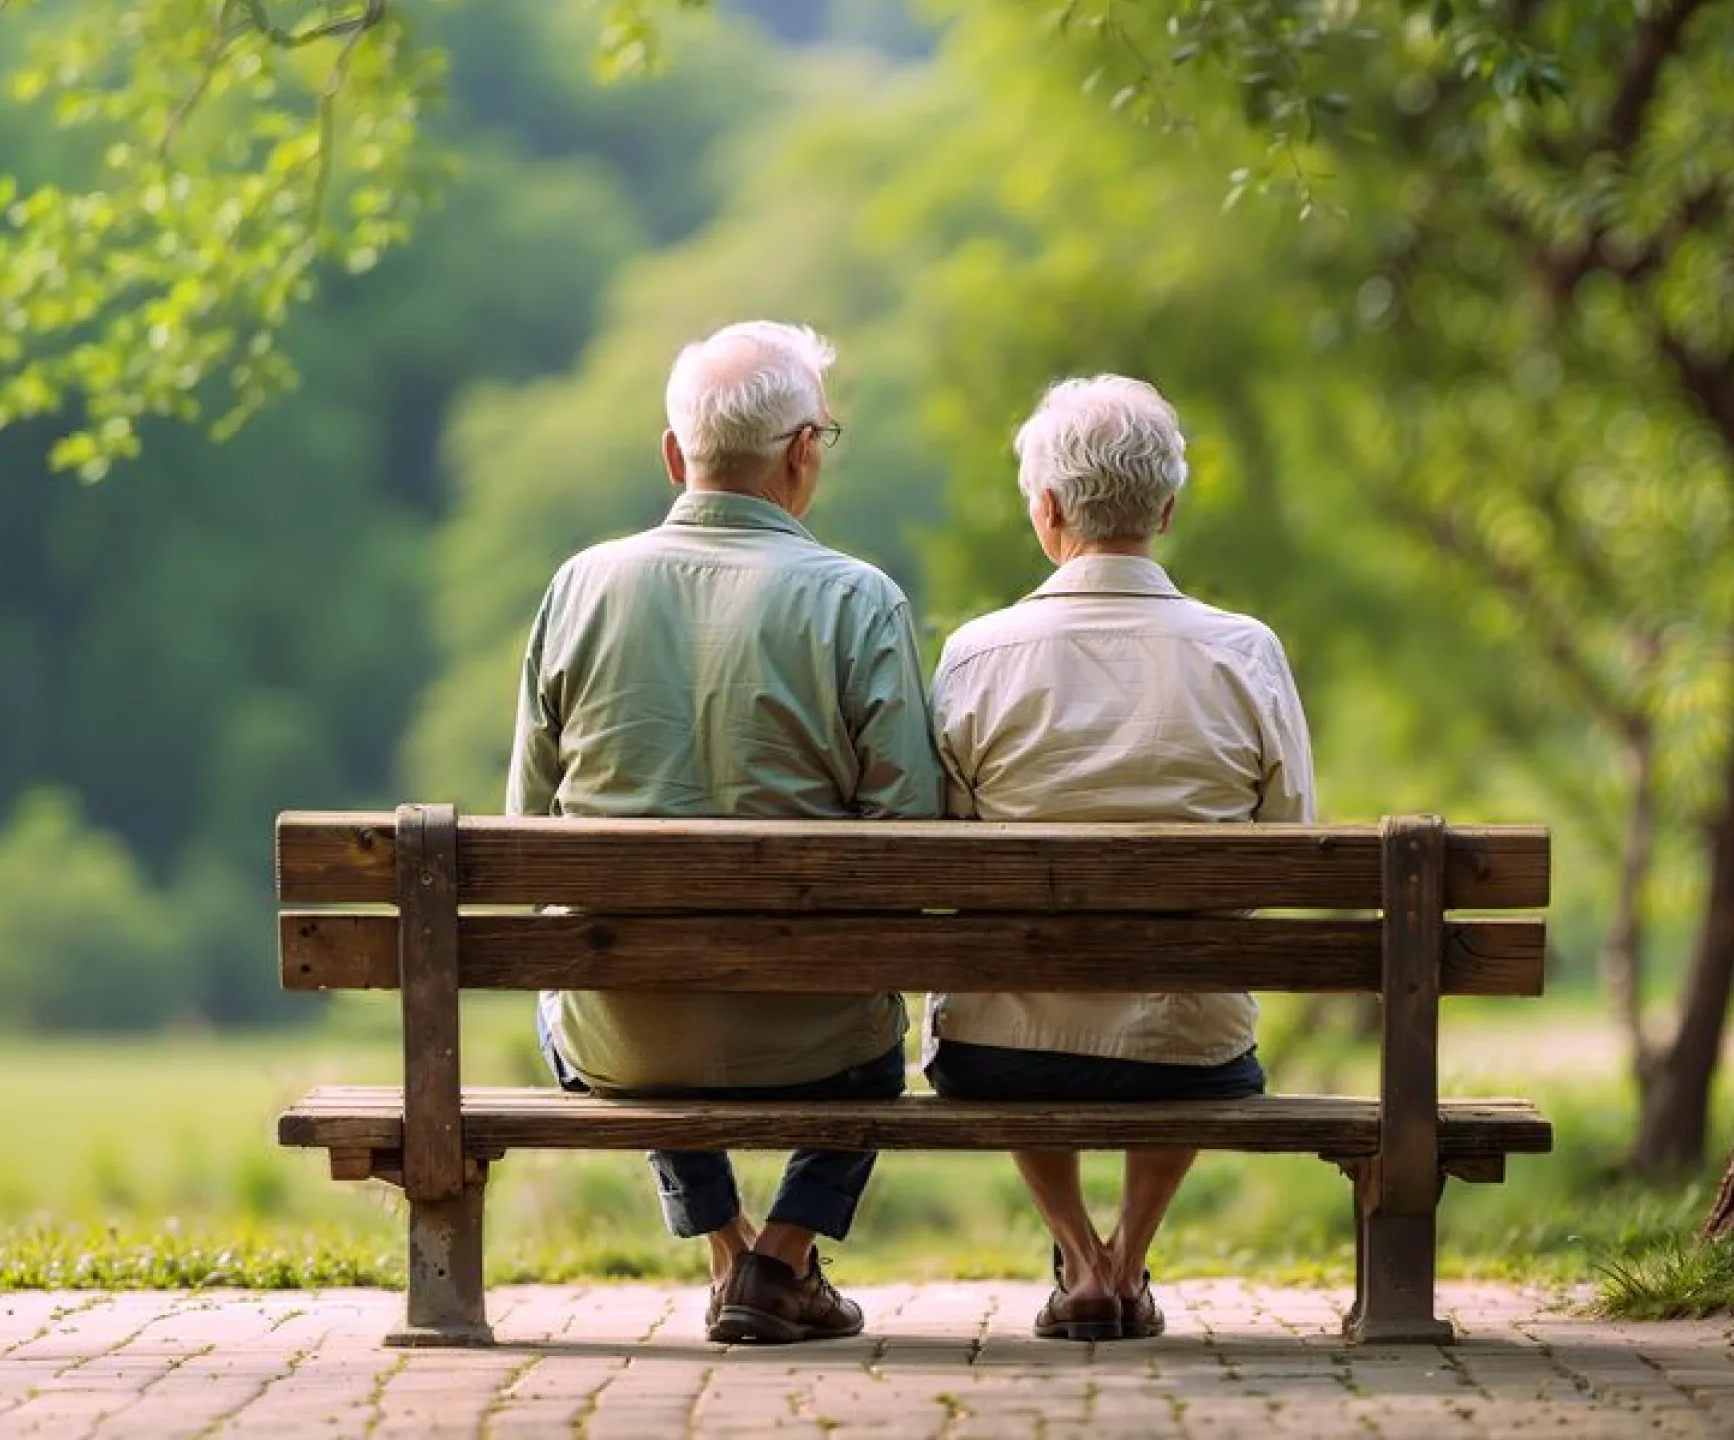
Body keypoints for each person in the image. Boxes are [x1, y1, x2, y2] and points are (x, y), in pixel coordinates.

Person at [505, 321, 942, 1345]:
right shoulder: (859, 600)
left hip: (623, 1036)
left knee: (593, 989)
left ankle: (733, 1252)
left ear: (674, 456)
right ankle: (779, 1258)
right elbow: (911, 840)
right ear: (802, 454)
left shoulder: (579, 588)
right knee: (879, 1042)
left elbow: (527, 830)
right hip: (823, 1041)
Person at [925, 375, 1315, 1342]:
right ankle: (1126, 1261)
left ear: (1045, 509)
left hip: (1000, 1052)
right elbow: (1292, 834)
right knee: (1183, 1011)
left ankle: (1080, 1256)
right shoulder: (1246, 653)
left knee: (1008, 995)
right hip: (1192, 1052)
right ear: (1168, 508)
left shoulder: (976, 656)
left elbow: (937, 839)